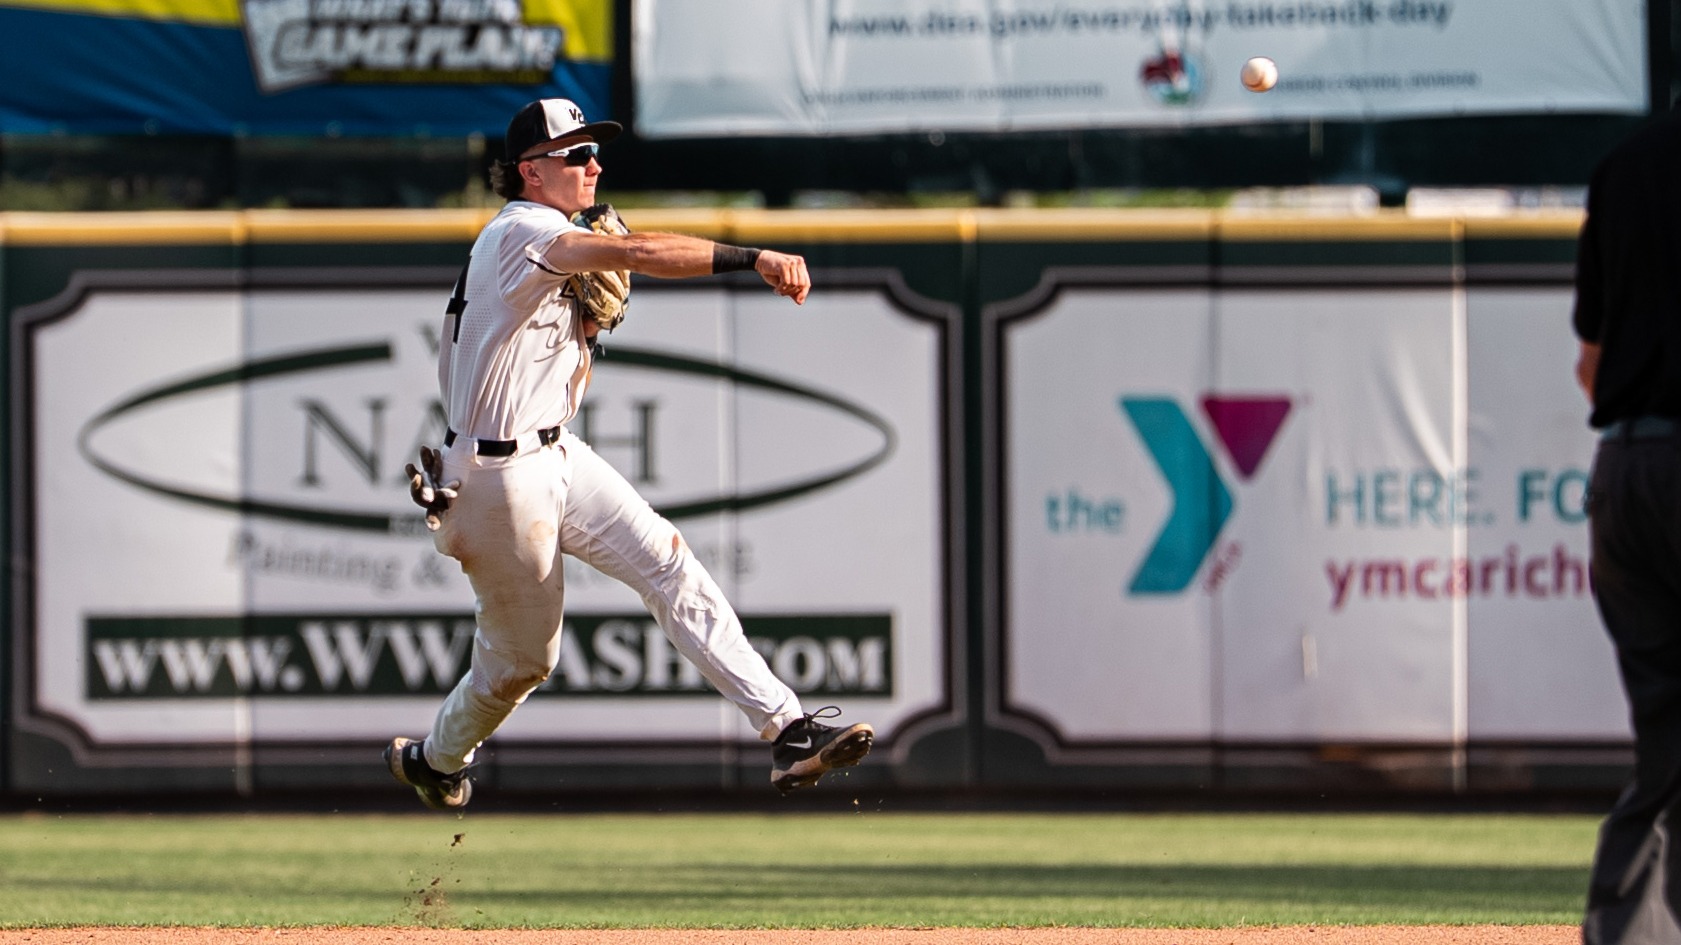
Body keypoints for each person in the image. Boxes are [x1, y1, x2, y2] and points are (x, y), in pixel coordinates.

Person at [384, 98, 874, 810]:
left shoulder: (547, 244)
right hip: (494, 482)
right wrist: (755, 256)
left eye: (593, 152)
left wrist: (584, 324)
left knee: (668, 563)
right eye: (575, 154)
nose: (593, 165)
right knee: (524, 662)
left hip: (552, 454)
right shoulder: (524, 229)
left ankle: (786, 728)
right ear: (530, 171)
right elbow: (640, 250)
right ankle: (436, 758)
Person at [1575, 107, 1681, 944]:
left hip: (1624, 471)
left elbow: (1591, 361)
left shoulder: (1623, 166)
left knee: (1667, 737)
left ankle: (1629, 931)